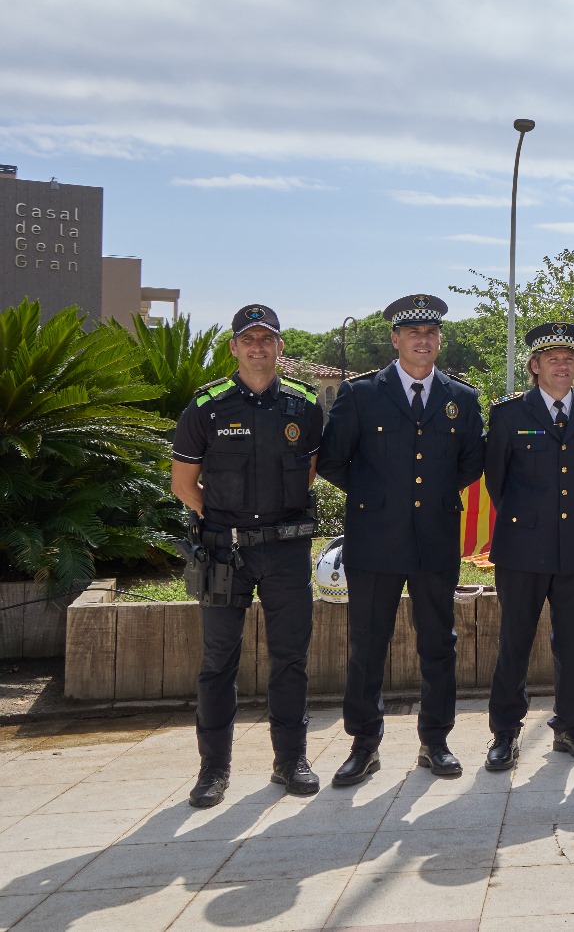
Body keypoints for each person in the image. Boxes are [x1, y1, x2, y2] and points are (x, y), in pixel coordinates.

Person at [317, 294, 486, 785]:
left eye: (431, 333)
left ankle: (435, 741)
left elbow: (471, 462)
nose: (423, 340)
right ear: (395, 339)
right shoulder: (362, 394)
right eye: (413, 333)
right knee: (368, 645)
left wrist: (432, 494)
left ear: (439, 340)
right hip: (375, 539)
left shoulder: (461, 398)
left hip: (434, 538)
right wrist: (376, 494)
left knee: (439, 643)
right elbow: (331, 459)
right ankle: (363, 745)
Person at [170, 304, 323, 807]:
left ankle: (291, 761)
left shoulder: (303, 406)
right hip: (224, 554)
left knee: (291, 659)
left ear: (280, 347)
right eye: (249, 339)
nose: (259, 347)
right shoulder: (207, 408)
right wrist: (224, 521)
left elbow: (309, 475)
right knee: (218, 662)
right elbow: (183, 485)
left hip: (285, 553)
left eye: (268, 339)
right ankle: (213, 770)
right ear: (234, 347)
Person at [482, 322, 574, 769]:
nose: (563, 365)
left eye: (570, 359)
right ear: (535, 366)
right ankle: (504, 733)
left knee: (572, 641)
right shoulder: (508, 415)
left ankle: (570, 727)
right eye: (553, 359)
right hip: (522, 547)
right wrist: (529, 520)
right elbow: (496, 483)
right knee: (514, 641)